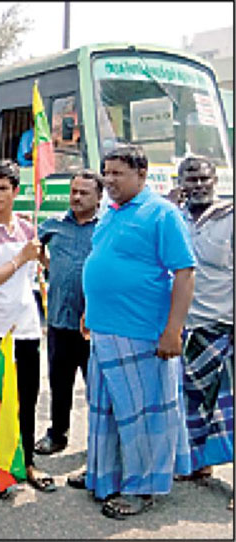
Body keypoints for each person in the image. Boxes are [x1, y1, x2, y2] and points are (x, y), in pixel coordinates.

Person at [81, 144, 196, 519]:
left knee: (142, 416)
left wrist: (173, 331)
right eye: (107, 172)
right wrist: (89, 309)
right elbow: (102, 263)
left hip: (143, 332)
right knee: (108, 412)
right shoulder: (108, 213)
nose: (109, 180)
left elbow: (184, 273)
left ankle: (141, 488)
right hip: (104, 329)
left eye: (118, 173)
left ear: (142, 175)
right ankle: (107, 476)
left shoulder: (163, 214)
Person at [0, 159, 56, 498]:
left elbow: (44, 269)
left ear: (16, 191)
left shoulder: (27, 227)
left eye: (3, 188)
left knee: (27, 397)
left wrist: (43, 255)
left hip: (28, 327)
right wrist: (21, 257)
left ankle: (26, 461)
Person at [173, 157, 233, 509]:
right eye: (190, 178)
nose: (197, 185)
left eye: (203, 178)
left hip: (224, 325)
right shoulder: (175, 218)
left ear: (215, 180)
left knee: (231, 408)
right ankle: (198, 465)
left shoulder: (230, 218)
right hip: (186, 328)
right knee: (191, 401)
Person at [34, 170, 103, 460]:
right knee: (60, 385)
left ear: (99, 197)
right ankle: (57, 434)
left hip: (96, 325)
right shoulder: (53, 225)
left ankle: (100, 443)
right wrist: (47, 264)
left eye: (84, 192)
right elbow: (33, 249)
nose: (76, 197)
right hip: (60, 322)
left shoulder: (106, 228)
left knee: (98, 389)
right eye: (73, 191)